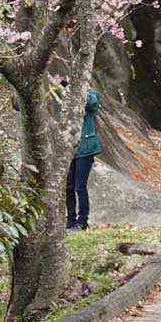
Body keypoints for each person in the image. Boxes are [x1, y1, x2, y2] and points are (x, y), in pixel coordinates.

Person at [66, 87, 101, 231]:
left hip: (85, 149)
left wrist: (79, 88)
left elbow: (92, 103)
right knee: (68, 187)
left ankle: (82, 222)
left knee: (80, 187)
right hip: (70, 149)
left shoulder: (91, 93)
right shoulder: (66, 94)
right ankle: (71, 220)